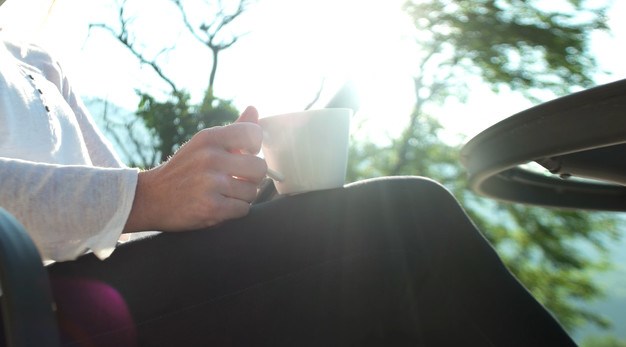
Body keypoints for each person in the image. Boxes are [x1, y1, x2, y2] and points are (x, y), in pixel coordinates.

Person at [0, 0, 577, 346]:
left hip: (99, 291)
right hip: (28, 313)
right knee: (401, 223)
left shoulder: (34, 61)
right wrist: (151, 195)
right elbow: (137, 199)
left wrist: (222, 195)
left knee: (349, 252)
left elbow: (125, 220)